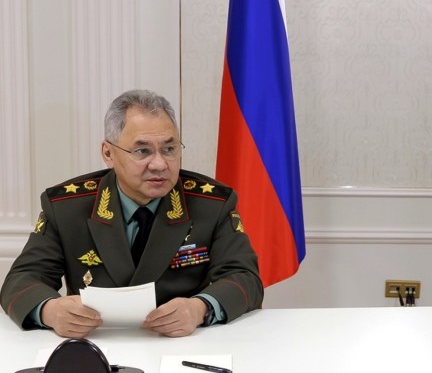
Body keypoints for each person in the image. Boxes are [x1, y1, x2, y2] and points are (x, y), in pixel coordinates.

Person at [1, 90, 263, 338]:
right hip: (94, 344)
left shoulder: (211, 204)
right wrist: (50, 311)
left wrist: (200, 309)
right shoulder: (67, 207)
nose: (160, 164)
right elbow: (21, 281)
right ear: (108, 153)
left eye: (169, 149)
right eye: (142, 151)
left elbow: (245, 278)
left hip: (181, 344)